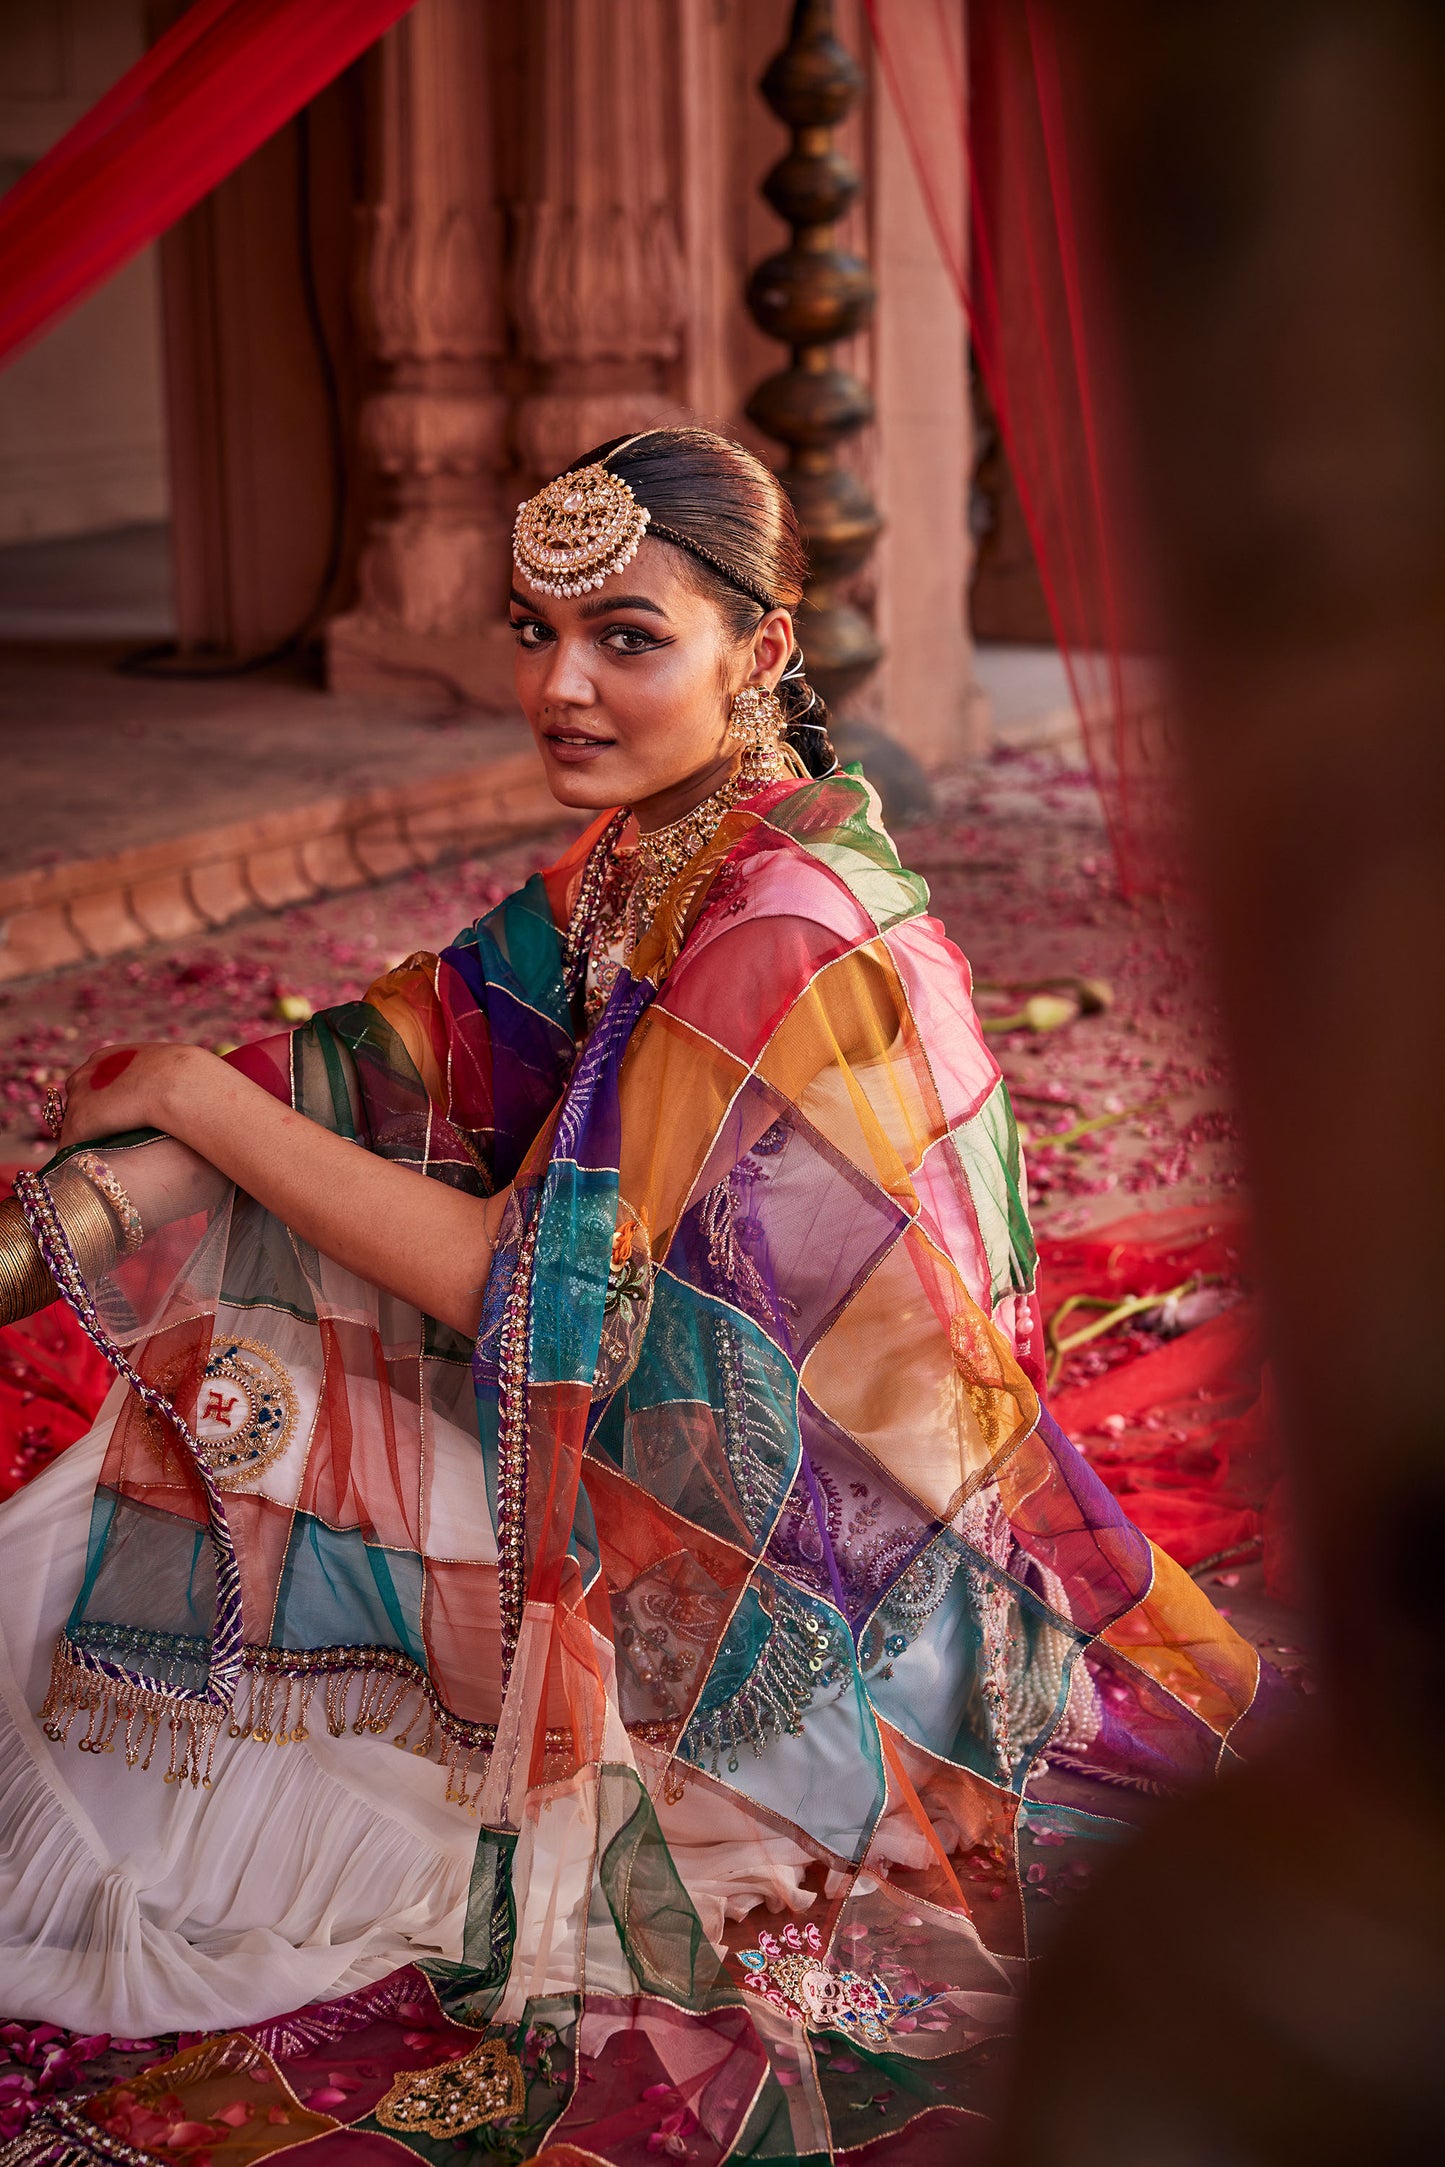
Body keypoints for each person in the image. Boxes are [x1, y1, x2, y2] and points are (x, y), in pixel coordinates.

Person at [0, 430, 1264, 2163]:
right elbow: (427, 1039)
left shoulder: (775, 920)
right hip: (666, 1452)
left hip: (776, 1584)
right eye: (534, 632)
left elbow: (515, 1290)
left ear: (757, 654)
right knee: (208, 1438)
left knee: (237, 1434)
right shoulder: (654, 851)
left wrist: (202, 1111)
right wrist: (194, 1089)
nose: (562, 687)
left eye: (626, 637)